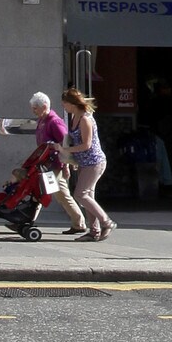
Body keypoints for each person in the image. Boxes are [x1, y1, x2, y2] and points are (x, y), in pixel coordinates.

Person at [19, 91, 86, 234]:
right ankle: (26, 220)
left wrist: (66, 165)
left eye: (35, 108)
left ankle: (79, 222)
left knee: (61, 194)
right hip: (45, 165)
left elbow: (65, 144)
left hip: (54, 165)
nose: (33, 111)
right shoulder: (42, 120)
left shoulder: (54, 122)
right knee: (39, 192)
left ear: (44, 106)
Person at [63, 87, 115, 241]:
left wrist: (65, 150)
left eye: (65, 104)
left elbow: (86, 144)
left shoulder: (85, 119)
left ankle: (106, 222)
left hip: (94, 162)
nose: (64, 107)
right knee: (88, 195)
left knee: (81, 194)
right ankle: (94, 231)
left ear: (72, 104)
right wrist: (73, 160)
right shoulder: (74, 117)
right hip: (84, 163)